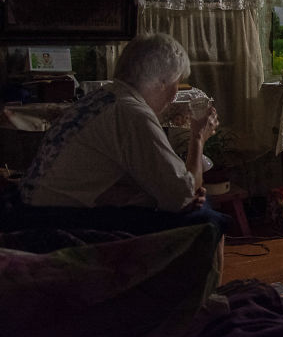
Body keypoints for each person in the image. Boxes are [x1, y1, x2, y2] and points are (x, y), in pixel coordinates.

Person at [16, 33, 229, 235]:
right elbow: (184, 197)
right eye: (176, 84)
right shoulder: (132, 112)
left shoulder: (102, 98)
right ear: (162, 82)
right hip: (56, 219)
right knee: (206, 217)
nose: (174, 97)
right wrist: (198, 137)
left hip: (30, 206)